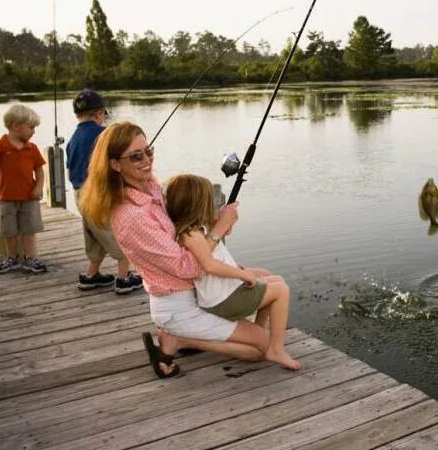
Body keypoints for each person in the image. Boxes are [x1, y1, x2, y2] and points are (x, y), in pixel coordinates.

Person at [78, 121, 291, 379]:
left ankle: (203, 332)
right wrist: (219, 229)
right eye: (136, 156)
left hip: (196, 289)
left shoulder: (151, 188)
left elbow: (181, 230)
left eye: (149, 151)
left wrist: (213, 225)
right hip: (177, 306)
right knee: (260, 348)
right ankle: (180, 340)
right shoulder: (131, 216)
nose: (147, 160)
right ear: (114, 164)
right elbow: (186, 265)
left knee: (265, 276)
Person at [165, 174, 300, 370]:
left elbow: (216, 239)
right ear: (197, 204)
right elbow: (208, 265)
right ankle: (276, 349)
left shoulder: (193, 229)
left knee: (274, 279)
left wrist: (224, 220)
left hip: (220, 292)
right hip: (222, 298)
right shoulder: (190, 234)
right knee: (281, 290)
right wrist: (242, 274)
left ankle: (260, 330)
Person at [66, 89, 142, 294]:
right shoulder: (103, 135)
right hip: (100, 194)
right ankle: (123, 278)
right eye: (102, 115)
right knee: (120, 233)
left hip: (80, 194)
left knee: (94, 234)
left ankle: (91, 275)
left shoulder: (73, 139)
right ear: (99, 113)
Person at [0, 104, 47, 274]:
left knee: (29, 229)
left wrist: (39, 187)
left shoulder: (32, 148)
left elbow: (39, 171)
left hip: (29, 198)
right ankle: (11, 258)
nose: (34, 132)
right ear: (16, 126)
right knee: (9, 230)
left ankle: (30, 257)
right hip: (6, 197)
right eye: (31, 127)